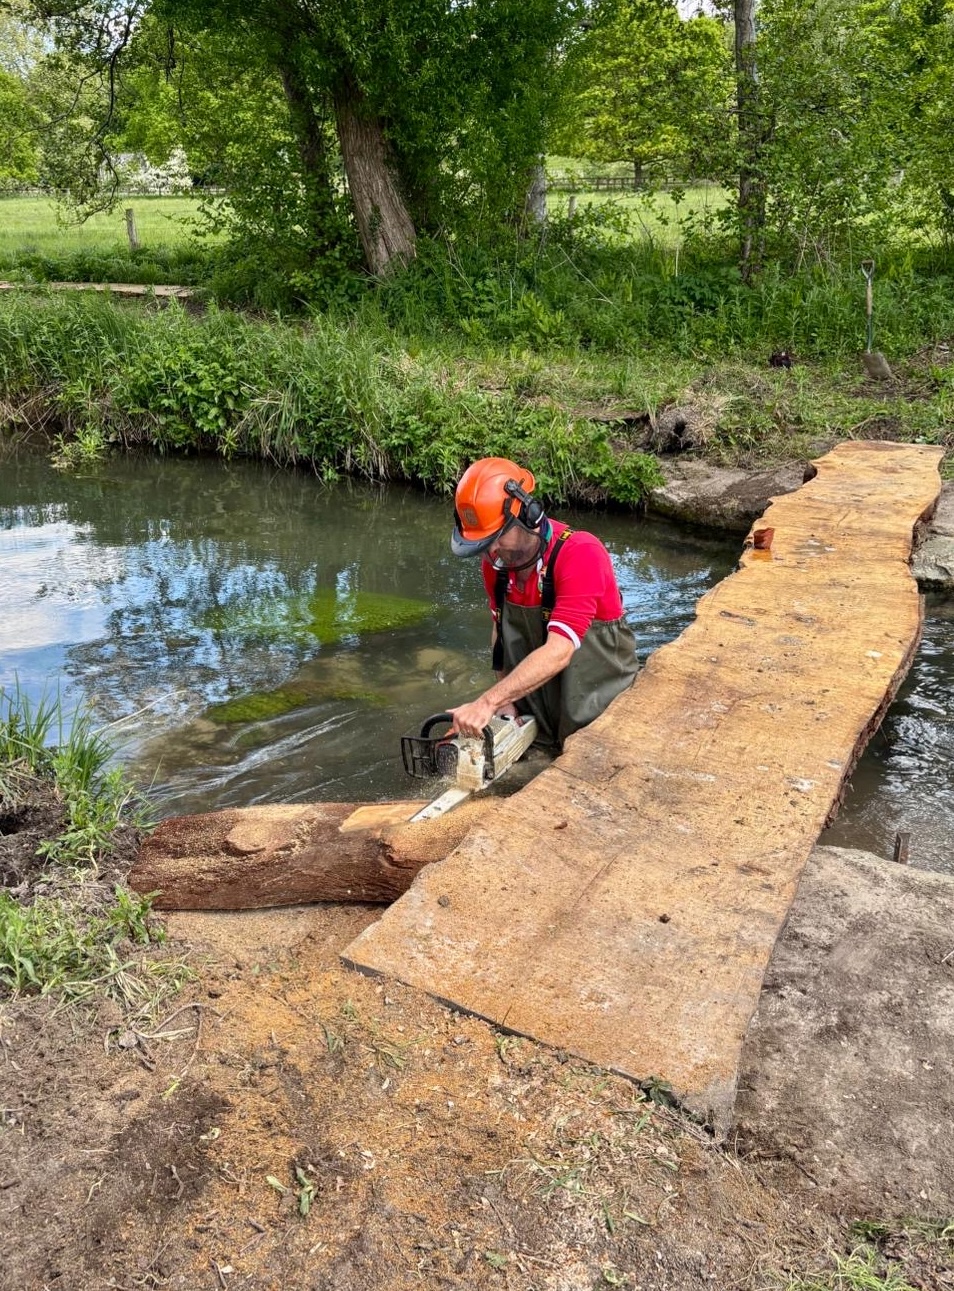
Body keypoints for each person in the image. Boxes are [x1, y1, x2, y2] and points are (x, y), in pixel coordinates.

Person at [448, 457, 638, 747]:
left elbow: (560, 650)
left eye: (497, 538)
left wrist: (487, 702)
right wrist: (505, 701)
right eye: (483, 545)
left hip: (600, 704)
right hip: (539, 703)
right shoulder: (497, 564)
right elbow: (501, 633)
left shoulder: (581, 553)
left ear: (530, 515)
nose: (493, 551)